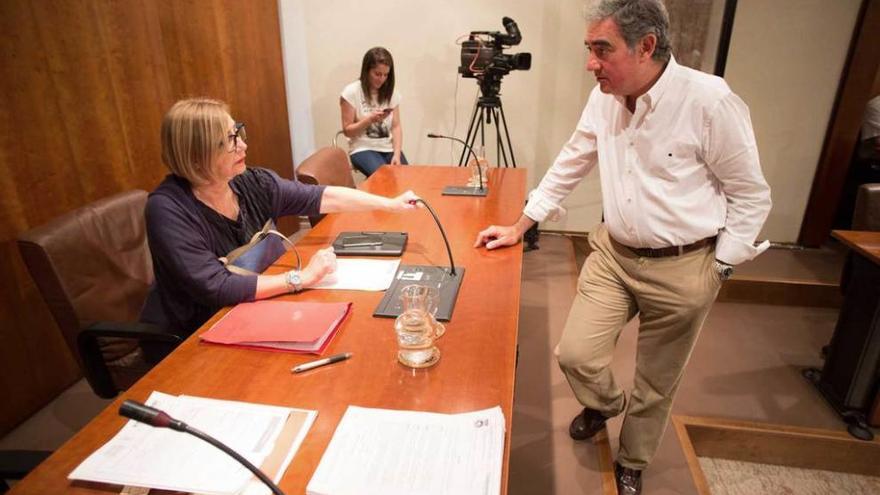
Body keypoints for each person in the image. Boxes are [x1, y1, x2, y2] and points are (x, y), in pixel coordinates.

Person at [473, 1, 771, 493]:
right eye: (589, 49)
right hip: (614, 254)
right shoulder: (604, 97)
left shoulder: (708, 101)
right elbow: (572, 160)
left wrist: (719, 265)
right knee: (575, 355)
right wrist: (520, 225)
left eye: (601, 49)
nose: (591, 63)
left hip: (685, 265)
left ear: (646, 46)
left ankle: (632, 459)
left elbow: (751, 192)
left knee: (656, 382)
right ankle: (604, 404)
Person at [141, 98, 419, 337]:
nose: (243, 146)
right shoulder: (168, 210)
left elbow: (320, 196)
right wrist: (301, 278)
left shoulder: (250, 183)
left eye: (237, 132)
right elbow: (217, 287)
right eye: (229, 140)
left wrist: (389, 204)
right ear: (196, 155)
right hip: (197, 332)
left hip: (251, 310)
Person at [340, 47, 408, 176]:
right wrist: (369, 120)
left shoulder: (391, 93)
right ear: (366, 71)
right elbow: (347, 131)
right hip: (363, 148)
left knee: (406, 178)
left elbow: (396, 126)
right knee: (386, 178)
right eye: (377, 74)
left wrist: (397, 154)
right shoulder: (351, 92)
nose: (382, 79)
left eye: (386, 75)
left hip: (388, 148)